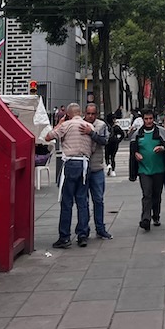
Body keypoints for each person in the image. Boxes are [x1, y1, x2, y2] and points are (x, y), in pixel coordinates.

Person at [45, 103, 97, 248]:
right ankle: (82, 235)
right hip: (84, 165)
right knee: (82, 201)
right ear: (80, 112)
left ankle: (64, 236)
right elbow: (92, 148)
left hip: (70, 163)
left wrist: (59, 124)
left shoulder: (66, 125)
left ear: (68, 114)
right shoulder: (89, 126)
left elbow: (48, 137)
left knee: (67, 202)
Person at [128, 109, 165, 231]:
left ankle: (156, 215)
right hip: (144, 170)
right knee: (147, 194)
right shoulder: (137, 134)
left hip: (159, 170)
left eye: (150, 119)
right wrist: (136, 154)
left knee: (156, 195)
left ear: (153, 119)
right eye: (146, 119)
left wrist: (162, 148)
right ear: (142, 119)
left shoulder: (161, 132)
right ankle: (145, 219)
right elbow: (133, 150)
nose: (148, 121)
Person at [82, 104, 113, 240]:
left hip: (96, 167)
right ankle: (83, 230)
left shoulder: (101, 125)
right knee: (83, 201)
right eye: (88, 113)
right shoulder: (80, 124)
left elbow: (104, 141)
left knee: (98, 200)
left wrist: (91, 133)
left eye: (93, 114)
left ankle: (100, 228)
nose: (90, 116)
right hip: (82, 168)